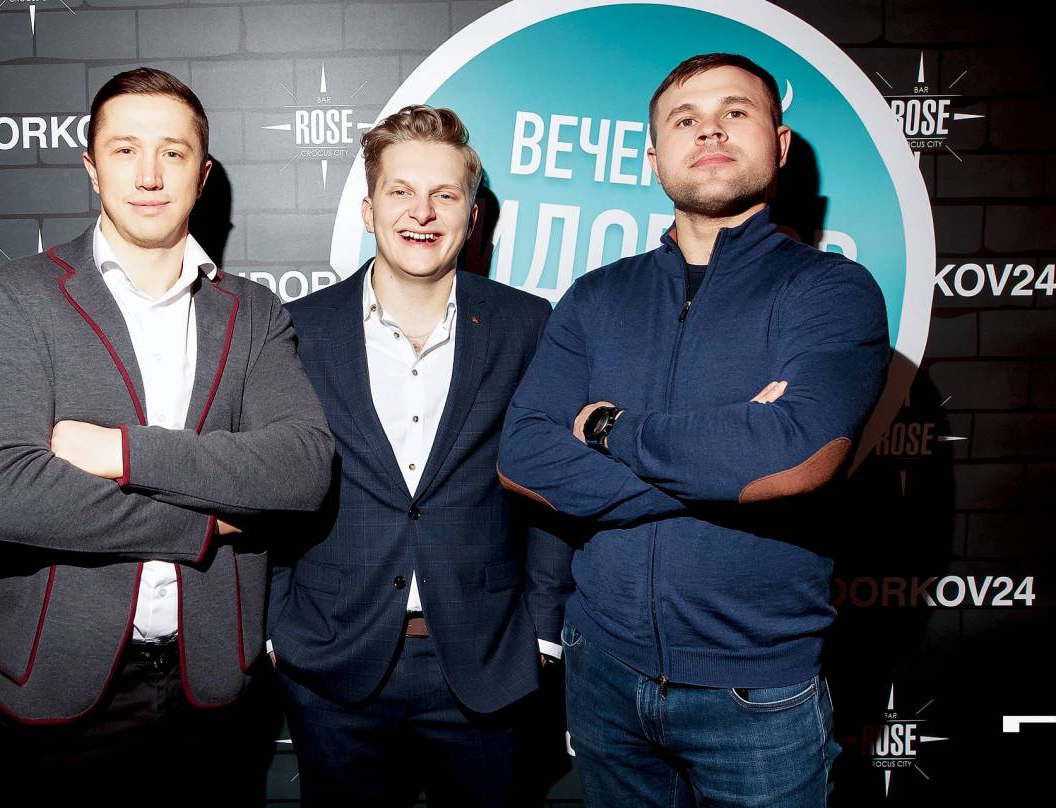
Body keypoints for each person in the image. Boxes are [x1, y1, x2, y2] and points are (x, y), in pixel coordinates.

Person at [497, 53, 891, 807]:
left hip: (757, 690)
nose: (709, 130)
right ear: (653, 158)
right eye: (685, 120)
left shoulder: (829, 290)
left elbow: (795, 454)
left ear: (779, 143)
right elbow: (522, 455)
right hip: (602, 670)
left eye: (734, 112)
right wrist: (725, 464)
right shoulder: (596, 296)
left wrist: (608, 428)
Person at [0, 67, 332, 793]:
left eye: (173, 152)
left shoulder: (254, 313)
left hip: (214, 689)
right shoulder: (20, 296)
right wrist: (205, 524)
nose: (150, 175)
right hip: (63, 686)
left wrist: (120, 451)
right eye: (126, 150)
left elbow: (303, 469)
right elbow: (4, 494)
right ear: (91, 168)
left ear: (203, 174)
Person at [269, 105, 574, 808]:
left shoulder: (527, 324)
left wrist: (543, 634)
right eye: (401, 191)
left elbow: (549, 485)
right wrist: (278, 629)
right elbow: (273, 484)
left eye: (445, 194)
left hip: (487, 660)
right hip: (331, 663)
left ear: (473, 214)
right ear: (369, 209)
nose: (423, 212)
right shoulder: (298, 330)